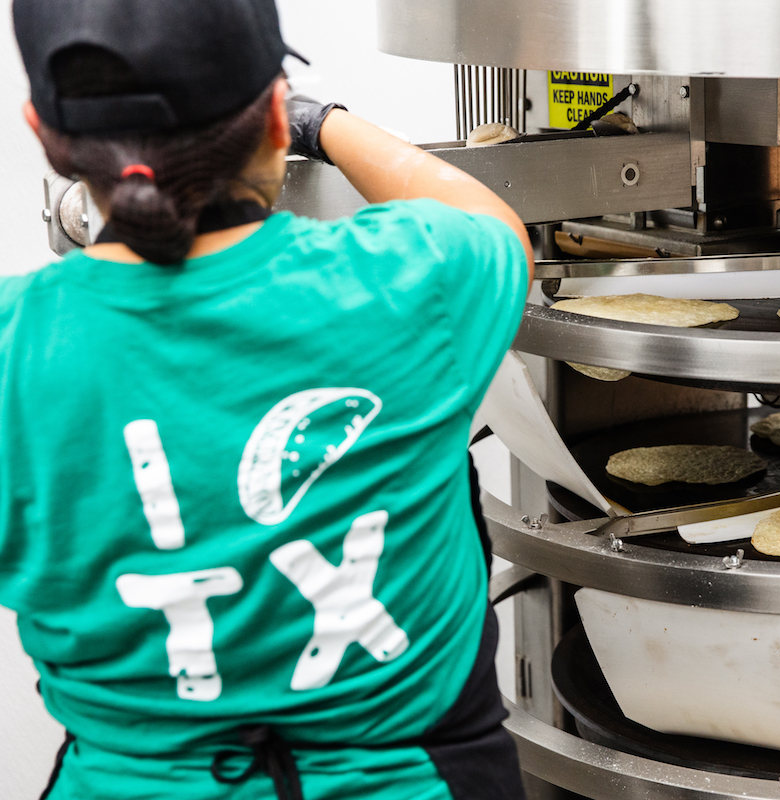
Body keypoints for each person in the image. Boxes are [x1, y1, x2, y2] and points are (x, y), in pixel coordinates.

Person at [8, 0, 534, 798]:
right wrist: (327, 125)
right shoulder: (409, 279)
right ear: (274, 120)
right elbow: (491, 221)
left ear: (44, 134)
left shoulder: (14, 348)